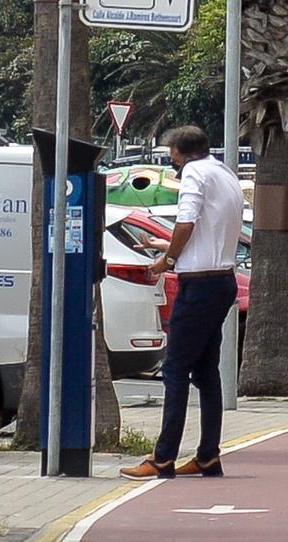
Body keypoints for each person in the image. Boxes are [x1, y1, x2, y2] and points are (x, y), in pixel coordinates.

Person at [120, 126, 244, 480]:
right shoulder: (223, 172)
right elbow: (209, 230)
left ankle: (163, 457)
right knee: (206, 373)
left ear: (182, 152)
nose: (170, 161)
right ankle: (208, 455)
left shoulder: (192, 173)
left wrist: (167, 261)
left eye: (171, 153)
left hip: (199, 285)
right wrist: (168, 246)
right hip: (222, 280)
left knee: (175, 370)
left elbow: (187, 221)